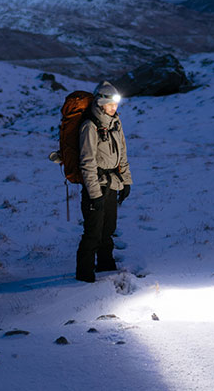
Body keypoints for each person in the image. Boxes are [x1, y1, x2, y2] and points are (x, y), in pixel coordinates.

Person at [76, 81, 133, 283]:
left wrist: (126, 182)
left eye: (116, 104)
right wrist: (94, 194)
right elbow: (87, 162)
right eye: (110, 105)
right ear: (100, 103)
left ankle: (106, 265)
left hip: (113, 183)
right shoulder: (89, 126)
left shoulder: (115, 123)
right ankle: (84, 274)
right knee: (93, 232)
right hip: (96, 185)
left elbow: (122, 154)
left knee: (108, 229)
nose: (114, 108)